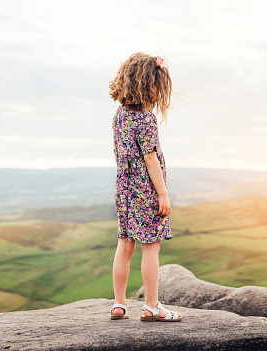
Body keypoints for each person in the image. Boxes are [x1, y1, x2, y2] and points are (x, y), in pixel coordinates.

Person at [108, 52, 182, 322]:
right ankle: (152, 307)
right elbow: (150, 158)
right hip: (145, 191)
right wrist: (162, 194)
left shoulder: (119, 116)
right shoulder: (145, 119)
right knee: (150, 247)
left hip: (124, 190)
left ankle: (119, 304)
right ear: (150, 85)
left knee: (124, 246)